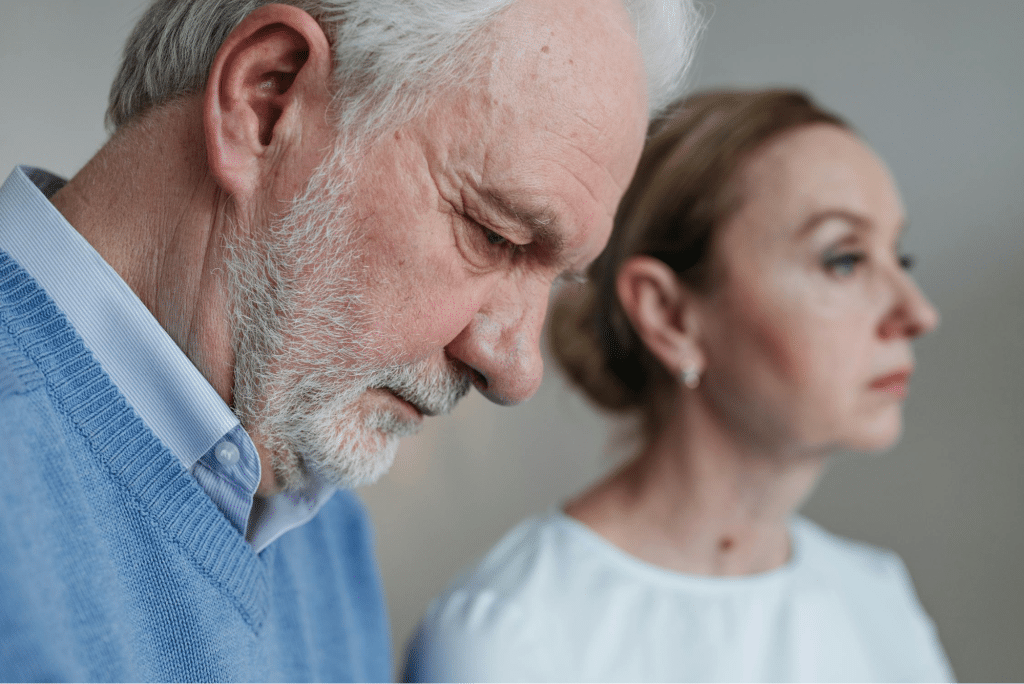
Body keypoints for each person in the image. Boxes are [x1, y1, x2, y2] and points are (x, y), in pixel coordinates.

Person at [0, 0, 702, 681]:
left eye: (562, 278)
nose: (517, 370)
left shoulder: (327, 536)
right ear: (267, 101)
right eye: (496, 234)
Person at [404, 89, 955, 683]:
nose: (918, 313)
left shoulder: (878, 599)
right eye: (842, 260)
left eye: (901, 258)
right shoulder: (510, 632)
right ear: (669, 315)